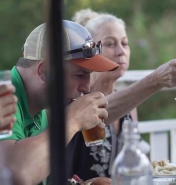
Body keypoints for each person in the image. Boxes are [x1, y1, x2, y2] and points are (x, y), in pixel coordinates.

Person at [65, 8, 176, 180]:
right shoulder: (75, 97)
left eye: (124, 43)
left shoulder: (129, 106)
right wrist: (156, 80)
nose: (121, 51)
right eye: (110, 44)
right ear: (91, 50)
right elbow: (100, 110)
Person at [0, 20, 120, 185]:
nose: (86, 87)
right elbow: (15, 175)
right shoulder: (4, 97)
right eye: (80, 75)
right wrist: (73, 119)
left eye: (89, 75)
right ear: (45, 71)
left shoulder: (42, 106)